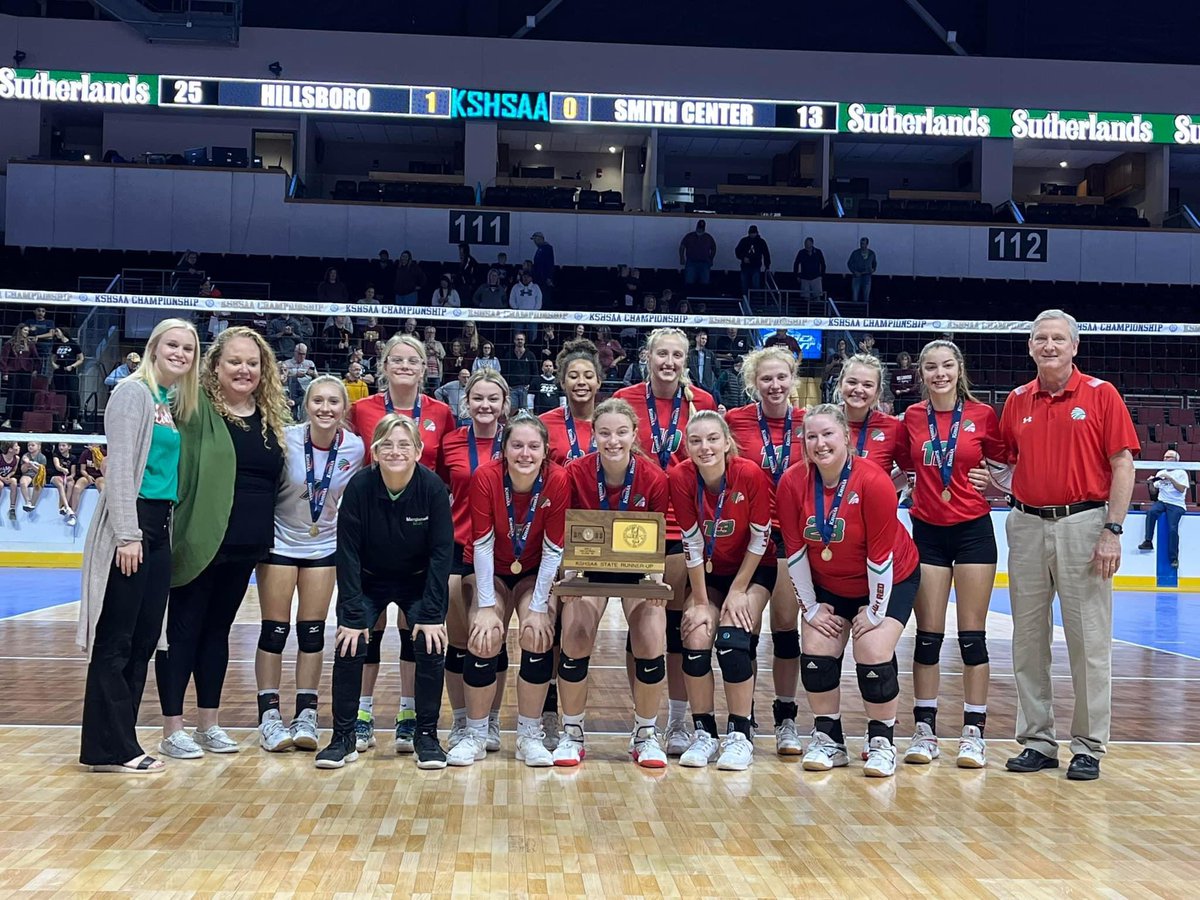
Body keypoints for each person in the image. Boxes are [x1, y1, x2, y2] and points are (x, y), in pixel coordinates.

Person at [999, 309, 1137, 782]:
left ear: (1075, 346)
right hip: (1026, 524)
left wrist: (1112, 530)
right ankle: (1037, 740)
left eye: (1059, 339)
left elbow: (1123, 466)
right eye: (1041, 338)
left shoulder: (1101, 395)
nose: (1050, 346)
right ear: (1031, 346)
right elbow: (1007, 463)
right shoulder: (1016, 400)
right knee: (1028, 641)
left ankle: (1088, 745)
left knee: (1089, 641)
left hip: (1085, 525)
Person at [155, 327, 289, 760]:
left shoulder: (269, 417)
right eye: (235, 361)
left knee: (217, 634)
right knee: (183, 632)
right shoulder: (192, 407)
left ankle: (208, 724)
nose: (244, 370)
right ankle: (173, 728)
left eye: (253, 363)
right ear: (214, 365)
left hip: (245, 546)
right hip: (199, 540)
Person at [77, 318, 200, 774]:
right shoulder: (132, 393)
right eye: (172, 344)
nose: (181, 353)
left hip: (159, 524)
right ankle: (114, 747)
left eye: (188, 348)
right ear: (153, 347)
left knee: (145, 639)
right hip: (133, 525)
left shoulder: (166, 400)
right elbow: (121, 470)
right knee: (117, 639)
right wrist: (128, 535)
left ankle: (113, 745)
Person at [778, 403, 921, 777]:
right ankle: (830, 739)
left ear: (846, 437)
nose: (820, 443)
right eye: (811, 436)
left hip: (890, 580)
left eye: (828, 434)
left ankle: (881, 741)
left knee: (872, 648)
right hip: (829, 585)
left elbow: (881, 559)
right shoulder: (793, 482)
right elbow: (794, 552)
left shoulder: (872, 482)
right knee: (816, 649)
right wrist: (810, 609)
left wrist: (874, 613)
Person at [316, 414, 453, 770]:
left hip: (417, 579)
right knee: (350, 641)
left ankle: (426, 735)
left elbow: (442, 554)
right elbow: (346, 553)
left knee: (430, 641)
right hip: (369, 578)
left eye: (404, 444)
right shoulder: (360, 487)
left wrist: (433, 613)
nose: (395, 451)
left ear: (419, 451)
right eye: (387, 444)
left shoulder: (433, 488)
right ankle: (342, 737)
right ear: (375, 450)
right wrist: (350, 614)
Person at [895, 340, 1007, 769]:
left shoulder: (983, 415)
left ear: (959, 370)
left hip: (974, 533)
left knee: (972, 637)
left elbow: (1004, 467)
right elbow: (905, 467)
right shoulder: (912, 417)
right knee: (927, 636)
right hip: (926, 532)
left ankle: (974, 731)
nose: (939, 374)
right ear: (921, 374)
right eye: (930, 367)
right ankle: (924, 729)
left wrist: (992, 484)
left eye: (946, 366)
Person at [347, 333, 455, 753]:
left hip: (419, 532)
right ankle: (362, 712)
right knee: (366, 626)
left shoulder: (442, 412)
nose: (405, 365)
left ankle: (409, 714)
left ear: (425, 365)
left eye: (413, 359)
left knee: (417, 627)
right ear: (385, 365)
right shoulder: (362, 409)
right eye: (397, 359)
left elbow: (444, 475)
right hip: (374, 532)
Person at [614, 327, 718, 756]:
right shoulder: (625, 400)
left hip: (681, 527)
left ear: (686, 360)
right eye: (662, 354)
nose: (669, 362)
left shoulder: (703, 404)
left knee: (675, 630)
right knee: (640, 629)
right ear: (648, 357)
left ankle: (678, 722)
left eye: (677, 354)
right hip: (634, 526)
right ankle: (646, 724)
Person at [447, 412, 568, 767]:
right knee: (483, 633)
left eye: (533, 446)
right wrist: (486, 606)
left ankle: (529, 734)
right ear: (504, 449)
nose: (525, 453)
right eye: (517, 445)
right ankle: (477, 732)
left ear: (546, 450)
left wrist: (539, 605)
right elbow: (482, 544)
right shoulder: (485, 477)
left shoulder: (557, 479)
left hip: (533, 569)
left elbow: (554, 548)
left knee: (536, 631)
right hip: (490, 567)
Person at [556, 398, 671, 768]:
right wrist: (568, 575)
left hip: (637, 568)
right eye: (604, 432)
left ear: (635, 435)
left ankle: (646, 734)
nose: (613, 440)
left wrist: (656, 581)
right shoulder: (575, 472)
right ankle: (571, 732)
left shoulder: (654, 477)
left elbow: (658, 539)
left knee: (652, 634)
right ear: (593, 435)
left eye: (622, 432)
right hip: (589, 567)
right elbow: (564, 530)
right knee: (574, 633)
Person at [254, 376, 365, 752]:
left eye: (334, 402)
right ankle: (269, 715)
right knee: (274, 631)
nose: (325, 408)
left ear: (344, 408)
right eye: (318, 401)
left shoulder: (354, 447)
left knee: (313, 632)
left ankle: (306, 714)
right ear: (306, 405)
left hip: (324, 547)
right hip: (281, 541)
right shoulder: (285, 440)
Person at [669, 412, 776, 770]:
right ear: (687, 447)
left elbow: (762, 537)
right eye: (696, 441)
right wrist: (700, 602)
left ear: (727, 442)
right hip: (709, 572)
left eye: (713, 439)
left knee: (732, 638)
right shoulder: (681, 477)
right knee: (696, 637)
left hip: (753, 568)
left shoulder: (748, 474)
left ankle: (739, 734)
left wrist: (739, 590)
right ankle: (704, 733)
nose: (705, 447)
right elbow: (692, 543)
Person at [724, 347, 808, 756]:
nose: (774, 386)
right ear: (753, 384)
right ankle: (746, 716)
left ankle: (787, 717)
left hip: (792, 540)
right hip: (749, 540)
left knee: (787, 632)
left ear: (793, 379)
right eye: (766, 379)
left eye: (781, 378)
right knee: (747, 633)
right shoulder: (734, 422)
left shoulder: (809, 424)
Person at [437, 370, 511, 753]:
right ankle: (462, 719)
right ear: (466, 402)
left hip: (499, 550)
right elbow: (438, 494)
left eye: (492, 399)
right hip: (456, 546)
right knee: (460, 641)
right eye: (478, 398)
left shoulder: (515, 444)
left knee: (492, 637)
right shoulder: (450, 442)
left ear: (504, 405)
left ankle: (492, 719)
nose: (485, 405)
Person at [540, 340, 600, 466]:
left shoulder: (610, 424)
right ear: (562, 383)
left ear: (598, 382)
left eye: (588, 376)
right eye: (573, 377)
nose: (581, 382)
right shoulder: (543, 424)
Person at [1140, 449, 1188, 567]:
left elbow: (1182, 489)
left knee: (1172, 528)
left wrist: (1170, 478)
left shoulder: (1181, 472)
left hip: (1176, 504)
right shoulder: (1160, 472)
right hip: (1162, 501)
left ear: (1176, 460)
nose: (1165, 459)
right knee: (1151, 513)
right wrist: (1151, 483)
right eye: (1165, 457)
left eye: (1169, 457)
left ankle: (1174, 558)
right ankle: (1148, 541)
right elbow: (1153, 492)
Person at [1, 324, 41, 429]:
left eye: (28, 330)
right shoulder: (10, 343)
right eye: (25, 330)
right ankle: (8, 419)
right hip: (13, 372)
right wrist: (5, 372)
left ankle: (20, 421)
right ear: (20, 330)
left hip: (26, 373)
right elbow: (3, 360)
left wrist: (35, 369)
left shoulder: (30, 344)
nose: (27, 332)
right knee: (12, 396)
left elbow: (36, 358)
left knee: (24, 397)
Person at [50, 327, 84, 431]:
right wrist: (53, 364)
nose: (56, 333)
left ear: (63, 332)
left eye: (57, 331)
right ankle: (61, 421)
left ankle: (74, 420)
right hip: (59, 373)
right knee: (60, 397)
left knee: (73, 397)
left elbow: (81, 358)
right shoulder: (56, 344)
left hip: (70, 373)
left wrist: (73, 366)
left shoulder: (73, 344)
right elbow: (53, 356)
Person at [504, 332, 539, 413]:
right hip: (512, 389)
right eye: (518, 339)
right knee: (512, 413)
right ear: (514, 341)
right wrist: (507, 385)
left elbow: (535, 372)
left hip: (525, 389)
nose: (520, 341)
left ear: (524, 341)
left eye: (521, 339)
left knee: (525, 413)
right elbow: (504, 371)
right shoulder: (509, 354)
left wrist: (531, 386)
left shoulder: (530, 355)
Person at [734, 225, 771, 296]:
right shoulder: (744, 241)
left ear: (756, 233)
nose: (752, 234)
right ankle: (747, 300)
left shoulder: (761, 242)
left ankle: (755, 301)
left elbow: (766, 254)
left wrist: (767, 266)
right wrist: (743, 258)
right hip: (746, 266)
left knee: (755, 285)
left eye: (753, 233)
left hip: (755, 266)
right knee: (745, 285)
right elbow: (737, 251)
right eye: (751, 233)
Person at [282, 344, 317, 419]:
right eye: (299, 354)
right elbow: (283, 376)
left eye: (304, 354)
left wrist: (314, 374)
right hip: (292, 390)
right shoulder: (286, 364)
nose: (302, 356)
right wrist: (295, 374)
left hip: (306, 389)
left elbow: (317, 379)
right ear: (295, 352)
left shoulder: (310, 363)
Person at [680, 219, 716, 285]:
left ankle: (703, 295)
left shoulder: (708, 237)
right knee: (689, 282)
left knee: (705, 283)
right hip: (691, 262)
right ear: (696, 227)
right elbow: (682, 246)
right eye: (699, 228)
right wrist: (682, 258)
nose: (700, 229)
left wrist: (711, 259)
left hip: (704, 263)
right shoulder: (689, 236)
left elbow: (714, 248)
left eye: (701, 228)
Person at [49, 440, 78, 521]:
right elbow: (57, 466)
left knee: (71, 483)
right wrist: (63, 469)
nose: (61, 447)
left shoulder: (73, 458)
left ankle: (63, 507)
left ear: (69, 447)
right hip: (55, 476)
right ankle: (67, 507)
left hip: (66, 477)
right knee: (61, 482)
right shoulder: (56, 455)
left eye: (63, 445)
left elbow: (73, 473)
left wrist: (69, 477)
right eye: (59, 446)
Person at [792, 237, 826, 301]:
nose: (806, 245)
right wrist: (796, 275)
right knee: (806, 297)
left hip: (816, 277)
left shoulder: (818, 252)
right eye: (805, 243)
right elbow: (796, 264)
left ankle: (816, 309)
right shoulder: (801, 253)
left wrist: (822, 275)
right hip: (805, 278)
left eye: (808, 243)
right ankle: (807, 310)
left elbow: (823, 264)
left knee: (817, 296)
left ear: (812, 243)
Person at [17, 440, 46, 513]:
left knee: (38, 484)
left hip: (38, 475)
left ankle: (33, 504)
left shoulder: (42, 457)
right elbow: (23, 471)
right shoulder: (25, 456)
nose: (30, 447)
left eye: (32, 445)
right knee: (23, 483)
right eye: (29, 445)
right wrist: (26, 464)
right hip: (27, 474)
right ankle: (27, 501)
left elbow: (40, 471)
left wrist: (31, 464)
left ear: (39, 447)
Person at [848, 237, 878, 302]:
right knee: (855, 295)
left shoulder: (871, 253)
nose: (862, 245)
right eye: (861, 244)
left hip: (867, 276)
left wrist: (873, 269)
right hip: (856, 276)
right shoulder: (855, 253)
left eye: (863, 244)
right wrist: (854, 271)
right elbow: (849, 263)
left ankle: (865, 311)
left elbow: (874, 263)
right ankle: (855, 310)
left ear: (867, 244)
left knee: (866, 296)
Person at [0, 442, 19, 518]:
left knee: (14, 481)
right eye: (16, 446)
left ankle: (12, 508)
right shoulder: (1, 457)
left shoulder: (17, 458)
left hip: (6, 477)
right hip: (0, 478)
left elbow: (14, 470)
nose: (19, 447)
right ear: (10, 449)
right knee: (0, 485)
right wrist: (2, 479)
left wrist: (8, 476)